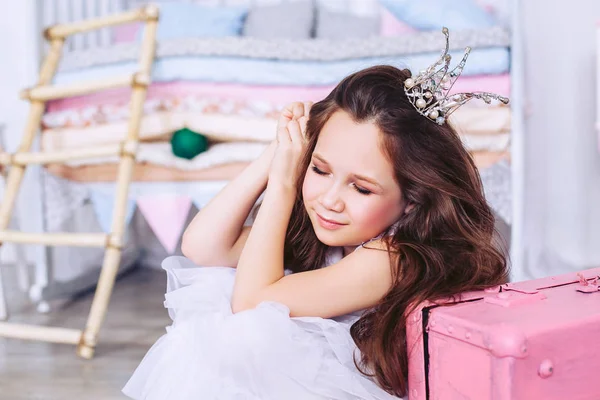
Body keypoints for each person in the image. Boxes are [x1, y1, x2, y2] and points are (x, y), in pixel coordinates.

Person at [123, 31, 509, 400]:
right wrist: (276, 153)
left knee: (238, 336)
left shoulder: (394, 257)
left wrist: (284, 183)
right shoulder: (330, 227)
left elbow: (254, 304)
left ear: (412, 199)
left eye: (361, 188)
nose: (329, 200)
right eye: (320, 169)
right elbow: (203, 247)